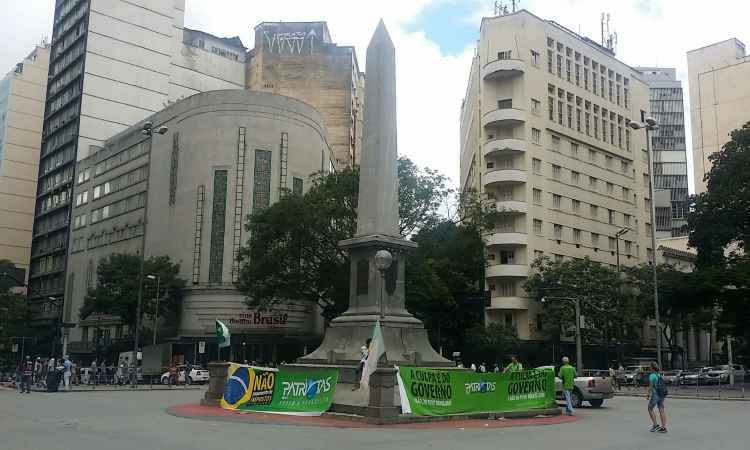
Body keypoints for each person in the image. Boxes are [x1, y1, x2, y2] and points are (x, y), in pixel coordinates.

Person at [647, 361, 668, 433]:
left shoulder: (652, 375)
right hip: (662, 394)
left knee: (650, 408)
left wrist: (648, 394)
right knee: (661, 409)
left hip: (656, 394)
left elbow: (650, 386)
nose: (649, 368)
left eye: (650, 367)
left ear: (652, 368)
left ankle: (655, 425)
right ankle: (663, 427)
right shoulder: (659, 375)